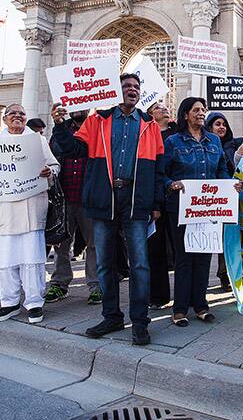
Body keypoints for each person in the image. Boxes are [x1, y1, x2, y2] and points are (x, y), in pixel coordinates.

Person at [51, 73, 165, 346]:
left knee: (139, 264)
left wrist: (157, 204)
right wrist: (60, 124)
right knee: (104, 264)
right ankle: (111, 315)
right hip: (104, 198)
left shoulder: (150, 125)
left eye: (136, 87)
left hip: (136, 200)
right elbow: (73, 149)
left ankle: (139, 322)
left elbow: (159, 168)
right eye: (127, 86)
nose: (132, 90)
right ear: (117, 92)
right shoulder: (97, 120)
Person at [0, 104, 59, 323]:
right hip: (4, 210)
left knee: (31, 260)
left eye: (22, 114)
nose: (17, 116)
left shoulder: (38, 141)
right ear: (5, 119)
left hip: (30, 210)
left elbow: (54, 166)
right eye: (13, 113)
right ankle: (9, 302)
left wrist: (49, 172)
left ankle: (34, 303)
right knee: (4, 261)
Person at [161, 97, 239, 326]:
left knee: (204, 256)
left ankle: (201, 306)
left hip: (209, 209)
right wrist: (171, 184)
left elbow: (222, 171)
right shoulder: (173, 142)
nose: (201, 113)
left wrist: (229, 185)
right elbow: (162, 173)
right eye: (196, 110)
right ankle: (180, 309)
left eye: (203, 110)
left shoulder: (214, 140)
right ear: (185, 114)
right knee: (184, 258)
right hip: (182, 208)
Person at [46, 107, 102, 306]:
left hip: (89, 198)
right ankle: (59, 283)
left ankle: (96, 286)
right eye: (74, 105)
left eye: (82, 105)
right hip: (65, 197)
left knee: (94, 245)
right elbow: (52, 158)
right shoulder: (60, 130)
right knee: (61, 244)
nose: (78, 109)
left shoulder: (97, 126)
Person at [205, 111, 240, 291]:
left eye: (224, 124)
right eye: (217, 124)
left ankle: (225, 274)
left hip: (230, 198)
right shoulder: (206, 145)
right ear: (209, 126)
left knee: (227, 238)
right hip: (209, 200)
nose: (222, 127)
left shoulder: (234, 145)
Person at [146, 100, 175, 307]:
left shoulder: (177, 134)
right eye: (157, 107)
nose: (163, 108)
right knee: (155, 248)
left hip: (177, 197)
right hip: (154, 197)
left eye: (164, 107)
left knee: (180, 248)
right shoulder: (145, 134)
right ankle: (158, 296)